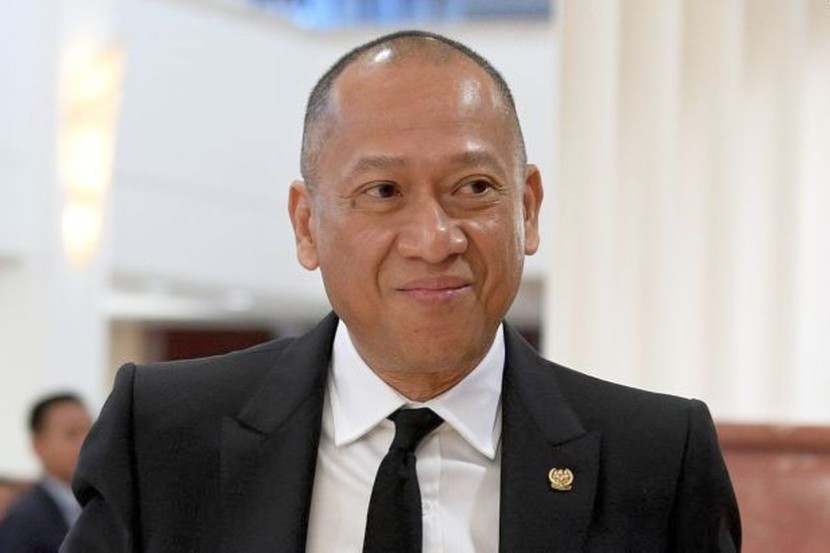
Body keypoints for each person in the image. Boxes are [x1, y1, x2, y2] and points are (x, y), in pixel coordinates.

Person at [62, 30, 741, 552]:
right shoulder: (163, 436)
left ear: (528, 209)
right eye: (383, 191)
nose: (434, 238)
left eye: (474, 187)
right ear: (306, 225)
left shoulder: (656, 458)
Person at [0, 393, 91, 552]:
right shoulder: (23, 520)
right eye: (71, 433)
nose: (85, 442)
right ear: (38, 445)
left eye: (91, 431)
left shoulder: (107, 508)